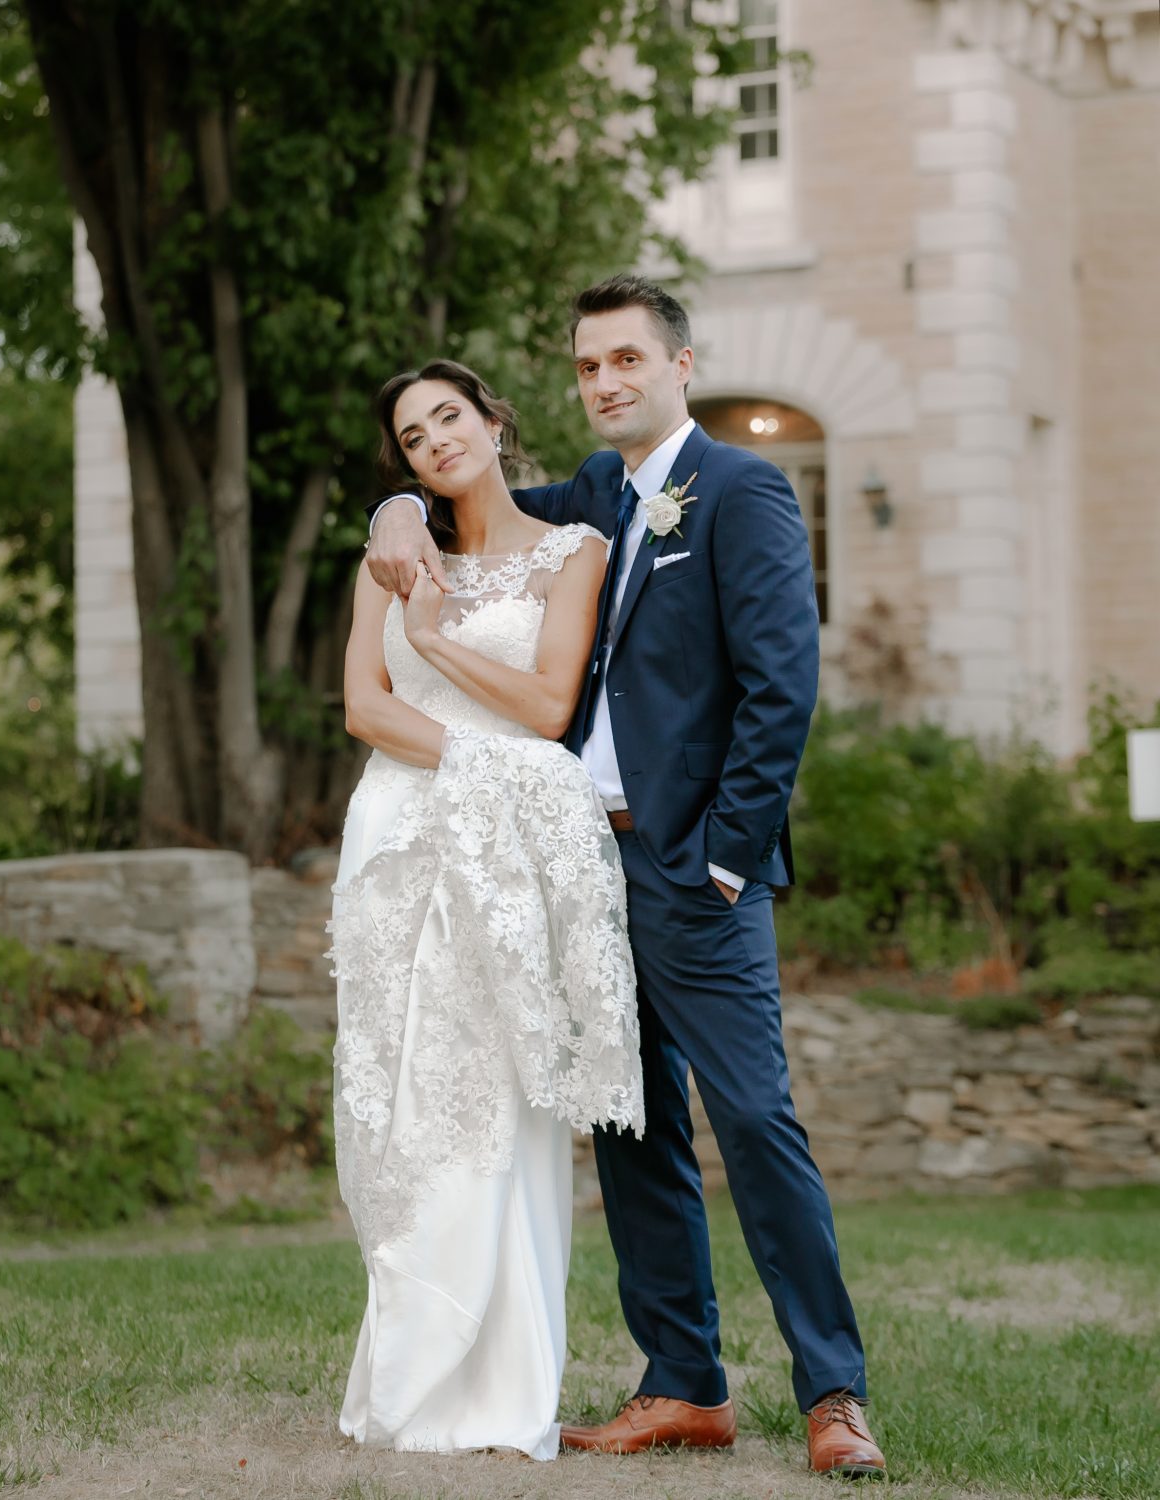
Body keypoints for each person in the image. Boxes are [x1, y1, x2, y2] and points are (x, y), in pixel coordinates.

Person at [365, 274, 887, 1479]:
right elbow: (480, 509)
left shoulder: (746, 492)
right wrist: (399, 503)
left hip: (690, 867)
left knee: (754, 1121)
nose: (605, 383)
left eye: (626, 362)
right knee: (631, 1123)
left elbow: (780, 689)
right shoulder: (599, 494)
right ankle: (684, 1384)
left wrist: (722, 857)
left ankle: (834, 1392)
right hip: (574, 861)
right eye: (589, 367)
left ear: (680, 365)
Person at [329, 359, 644, 1461]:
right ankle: (408, 1370)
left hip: (506, 844)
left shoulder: (576, 553)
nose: (436, 443)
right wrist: (473, 756)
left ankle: (504, 1385)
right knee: (406, 1096)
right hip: (400, 835)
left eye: (449, 418)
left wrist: (437, 637)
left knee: (502, 1099)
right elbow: (366, 706)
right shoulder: (394, 548)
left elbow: (551, 706)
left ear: (495, 422)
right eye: (413, 440)